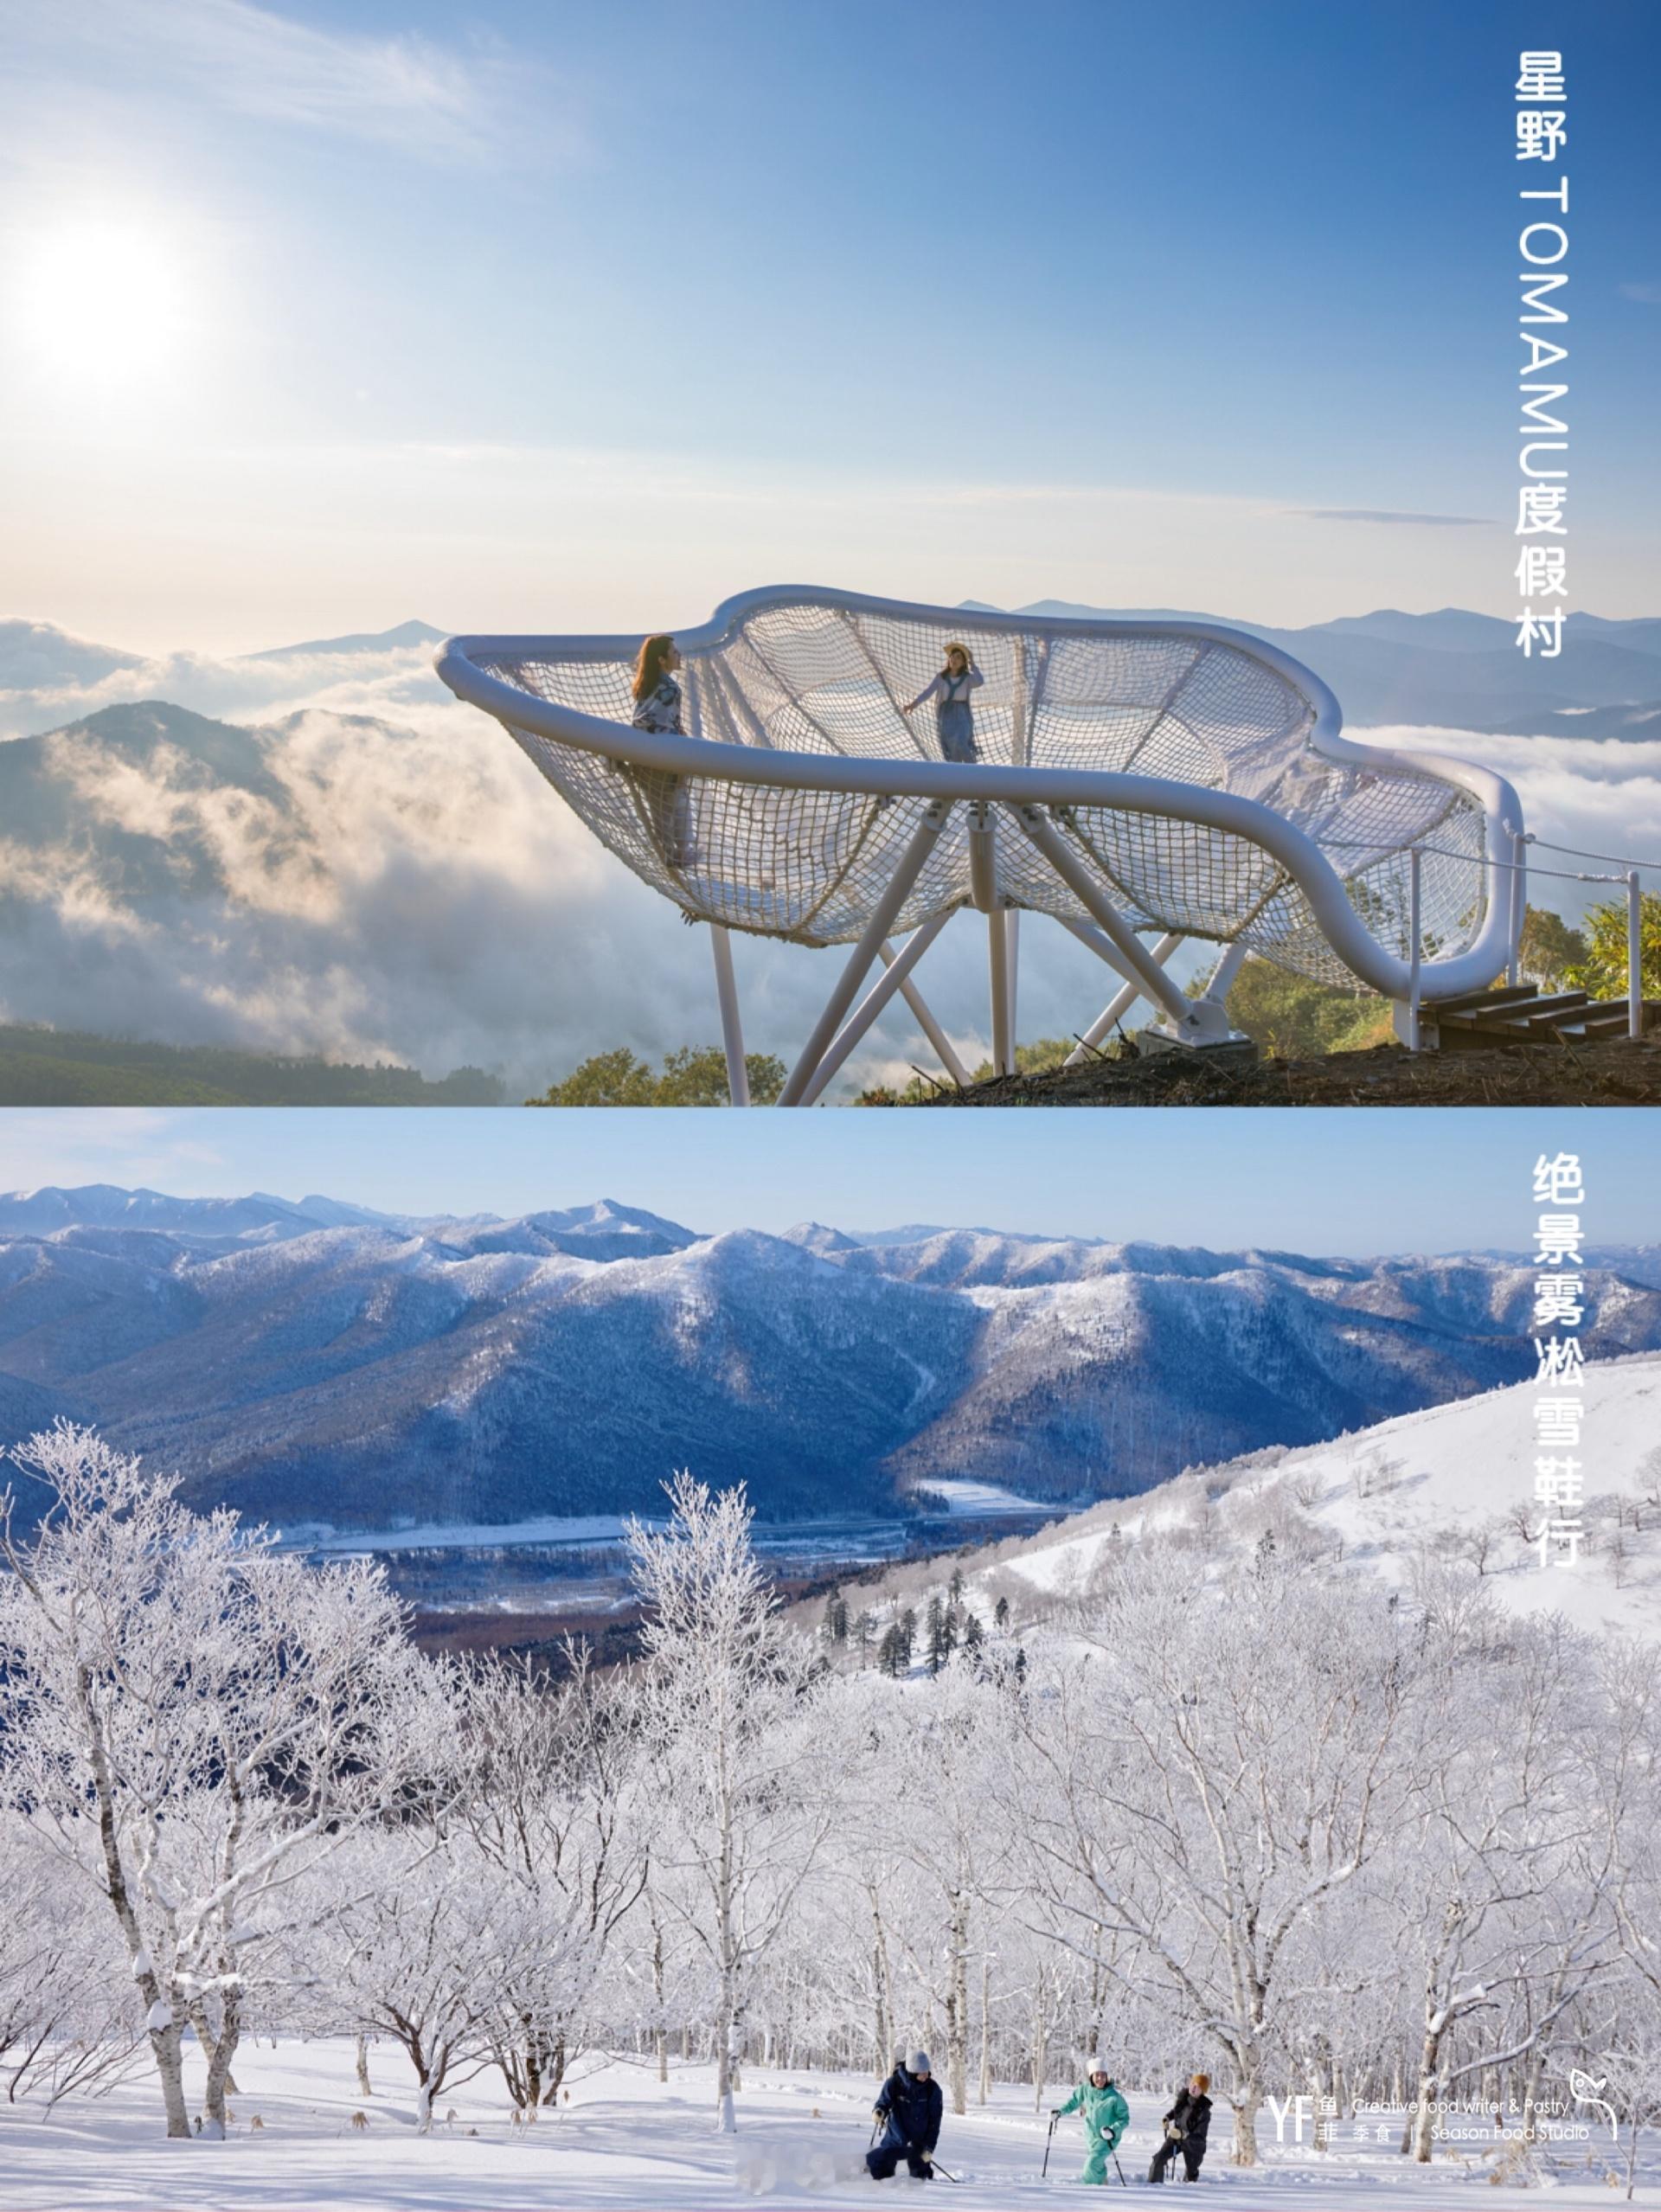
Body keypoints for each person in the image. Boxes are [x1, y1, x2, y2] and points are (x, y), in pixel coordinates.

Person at [628, 633, 696, 868]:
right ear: (661, 659)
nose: (679, 656)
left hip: (643, 758)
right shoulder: (670, 689)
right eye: (674, 652)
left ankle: (667, 856)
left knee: (658, 812)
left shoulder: (643, 685)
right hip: (666, 757)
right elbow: (667, 725)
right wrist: (681, 760)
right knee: (678, 803)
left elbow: (645, 720)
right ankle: (682, 854)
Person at [866, 2049, 943, 2181]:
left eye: (927, 2072)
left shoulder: (932, 2090)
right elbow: (884, 2102)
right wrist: (879, 2112)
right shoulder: (894, 2084)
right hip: (895, 2139)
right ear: (912, 2072)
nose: (926, 2076)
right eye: (922, 2073)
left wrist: (929, 2148)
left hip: (918, 2144)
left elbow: (934, 2123)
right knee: (880, 2175)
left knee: (920, 2179)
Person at [1053, 2062, 1130, 2186]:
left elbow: (1124, 2118)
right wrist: (1060, 2112)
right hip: (1090, 2137)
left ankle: (1089, 2190)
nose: (1100, 2079)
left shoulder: (1114, 2097)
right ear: (1091, 2076)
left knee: (1092, 2163)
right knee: (1097, 2163)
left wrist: (1113, 2130)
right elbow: (1072, 2103)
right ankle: (1103, 2185)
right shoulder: (1085, 2090)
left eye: (1103, 2076)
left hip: (1107, 2138)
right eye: (1097, 2075)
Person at [905, 644, 984, 763]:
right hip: (946, 715)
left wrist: (971, 663)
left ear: (963, 662)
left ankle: (973, 771)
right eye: (952, 656)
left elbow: (980, 681)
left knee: (962, 742)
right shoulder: (941, 677)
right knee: (952, 750)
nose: (954, 659)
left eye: (958, 657)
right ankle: (956, 775)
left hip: (962, 714)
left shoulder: (967, 678)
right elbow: (928, 692)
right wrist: (913, 704)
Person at [1147, 2073, 1211, 2184]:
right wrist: (1167, 2118)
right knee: (1158, 2159)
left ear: (1203, 2091)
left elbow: (1200, 2136)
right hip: (1175, 2138)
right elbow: (1176, 2112)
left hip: (1194, 2145)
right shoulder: (1183, 2099)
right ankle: (1153, 2186)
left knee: (1191, 2173)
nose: (1193, 2088)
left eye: (1198, 2086)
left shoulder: (1204, 2111)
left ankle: (1188, 2194)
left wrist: (1183, 2135)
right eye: (1192, 2084)